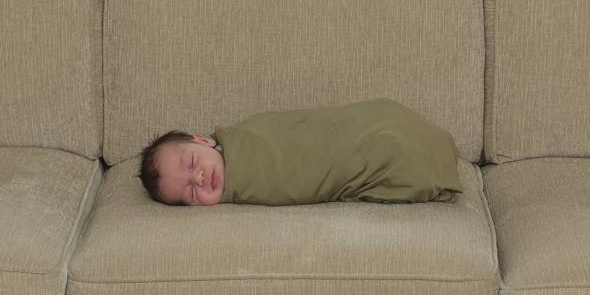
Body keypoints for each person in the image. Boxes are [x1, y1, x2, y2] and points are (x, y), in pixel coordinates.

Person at [138, 98, 463, 206]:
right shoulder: (242, 194)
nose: (199, 177)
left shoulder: (246, 136)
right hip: (349, 164)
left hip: (351, 130)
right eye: (191, 194)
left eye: (192, 162)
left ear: (202, 140)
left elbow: (300, 131)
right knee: (384, 156)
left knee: (379, 138)